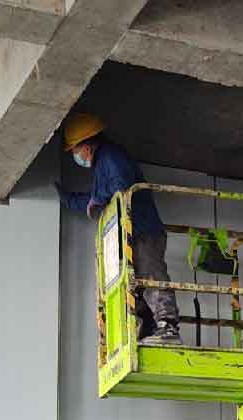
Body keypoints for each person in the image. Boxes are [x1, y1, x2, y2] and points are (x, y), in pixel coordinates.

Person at [59, 112, 180, 345]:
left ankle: (168, 328)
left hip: (143, 231)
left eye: (75, 150)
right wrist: (68, 200)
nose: (76, 155)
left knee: (151, 276)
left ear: (86, 146)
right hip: (129, 235)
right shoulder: (101, 165)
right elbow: (96, 199)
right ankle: (150, 331)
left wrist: (97, 199)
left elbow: (120, 185)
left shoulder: (111, 156)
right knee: (136, 284)